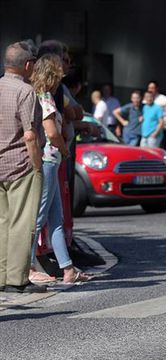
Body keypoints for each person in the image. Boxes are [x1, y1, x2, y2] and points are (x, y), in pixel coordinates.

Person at [29, 54, 92, 284]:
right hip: (48, 160)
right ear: (51, 75)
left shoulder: (43, 96)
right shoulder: (43, 97)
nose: (59, 80)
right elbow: (52, 132)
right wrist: (64, 150)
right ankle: (26, 267)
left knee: (56, 217)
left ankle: (67, 269)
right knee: (39, 216)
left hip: (51, 162)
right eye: (57, 75)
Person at [0, 41, 46, 293]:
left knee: (1, 223)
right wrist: (36, 164)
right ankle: (17, 280)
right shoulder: (25, 92)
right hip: (21, 166)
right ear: (28, 65)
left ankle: (1, 277)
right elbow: (30, 135)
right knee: (21, 224)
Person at [147, 81, 166, 166]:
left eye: (152, 88)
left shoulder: (163, 99)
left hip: (164, 128)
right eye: (149, 88)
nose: (151, 90)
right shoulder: (147, 99)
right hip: (153, 129)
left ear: (156, 88)